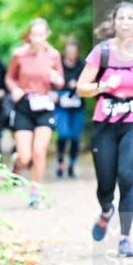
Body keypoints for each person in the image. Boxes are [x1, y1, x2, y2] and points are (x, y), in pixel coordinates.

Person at [76, 2, 133, 258]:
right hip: (105, 124)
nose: (126, 22)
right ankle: (106, 210)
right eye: (121, 18)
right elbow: (81, 87)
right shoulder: (101, 52)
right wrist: (103, 85)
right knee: (106, 184)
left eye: (131, 18)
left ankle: (125, 238)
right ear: (114, 22)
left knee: (127, 177)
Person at [5, 18, 65, 207]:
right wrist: (14, 89)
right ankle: (18, 164)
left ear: (47, 35)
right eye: (34, 34)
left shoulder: (53, 55)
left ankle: (34, 194)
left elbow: (60, 82)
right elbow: (9, 78)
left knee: (39, 151)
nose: (37, 38)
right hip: (24, 106)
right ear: (29, 35)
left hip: (44, 106)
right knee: (25, 156)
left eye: (41, 34)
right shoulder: (19, 54)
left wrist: (56, 79)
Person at [55, 36, 86, 178]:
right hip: (61, 106)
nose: (71, 54)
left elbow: (88, 81)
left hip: (77, 106)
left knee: (75, 137)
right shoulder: (59, 64)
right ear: (65, 51)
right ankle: (60, 161)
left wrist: (78, 85)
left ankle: (72, 164)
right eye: (69, 51)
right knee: (63, 134)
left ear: (77, 52)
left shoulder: (82, 65)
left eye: (74, 51)